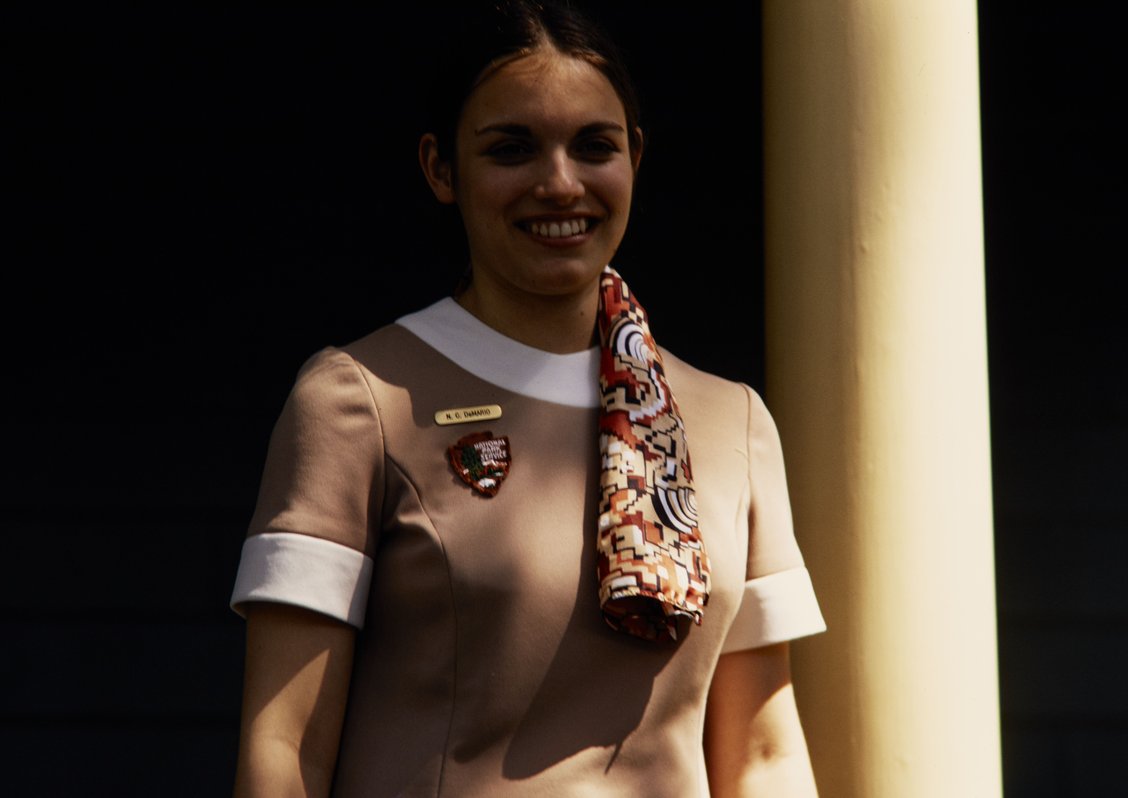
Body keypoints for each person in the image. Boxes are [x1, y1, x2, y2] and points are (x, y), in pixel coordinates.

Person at [230, 2, 825, 795]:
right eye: (512, 149)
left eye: (595, 146)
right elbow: (284, 751)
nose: (559, 183)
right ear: (441, 169)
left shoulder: (732, 422)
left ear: (635, 158)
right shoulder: (356, 402)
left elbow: (764, 758)